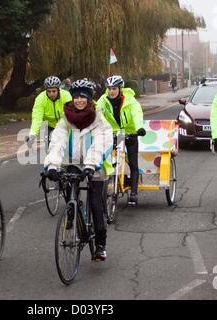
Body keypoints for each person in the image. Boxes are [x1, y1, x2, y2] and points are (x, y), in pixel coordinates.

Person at [44, 79, 113, 261]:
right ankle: (73, 211)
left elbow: (100, 143)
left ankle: (100, 245)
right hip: (72, 163)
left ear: (89, 99)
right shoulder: (66, 118)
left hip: (95, 164)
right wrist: (52, 165)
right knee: (70, 193)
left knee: (97, 205)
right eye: (76, 97)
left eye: (83, 97)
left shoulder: (98, 118)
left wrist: (91, 164)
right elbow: (57, 142)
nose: (79, 100)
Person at [96, 75, 145, 205]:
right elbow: (97, 114)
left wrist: (139, 127)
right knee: (106, 158)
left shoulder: (130, 100)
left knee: (133, 163)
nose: (111, 91)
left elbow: (136, 113)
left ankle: (133, 193)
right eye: (109, 88)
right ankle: (110, 180)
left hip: (130, 132)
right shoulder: (103, 100)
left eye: (114, 89)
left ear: (120, 89)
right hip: (113, 133)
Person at [26, 76, 72, 149]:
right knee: (51, 149)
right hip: (49, 125)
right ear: (46, 90)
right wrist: (32, 134)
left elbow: (69, 114)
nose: (51, 94)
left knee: (68, 149)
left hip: (64, 124)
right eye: (49, 91)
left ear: (58, 89)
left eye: (54, 91)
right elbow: (37, 118)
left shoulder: (66, 95)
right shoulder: (40, 99)